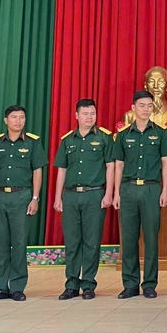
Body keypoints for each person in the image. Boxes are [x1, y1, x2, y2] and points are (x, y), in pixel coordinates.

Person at [0, 105, 47, 302]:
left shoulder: (33, 142)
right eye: (14, 117)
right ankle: (0, 286)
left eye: (22, 117)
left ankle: (17, 287)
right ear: (6, 120)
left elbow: (37, 171)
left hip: (21, 197)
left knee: (19, 242)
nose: (18, 121)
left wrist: (35, 198)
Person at [112, 90, 167, 299]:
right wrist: (116, 193)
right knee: (129, 239)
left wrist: (165, 189)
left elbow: (166, 163)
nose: (146, 109)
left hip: (151, 189)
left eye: (149, 105)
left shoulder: (161, 134)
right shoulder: (123, 135)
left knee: (151, 238)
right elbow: (119, 165)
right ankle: (130, 284)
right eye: (142, 105)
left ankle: (149, 284)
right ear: (133, 108)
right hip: (128, 189)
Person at [53, 99, 114, 300]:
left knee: (92, 241)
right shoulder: (67, 140)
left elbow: (111, 167)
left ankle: (88, 284)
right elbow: (62, 169)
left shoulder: (104, 138)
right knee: (72, 242)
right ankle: (71, 284)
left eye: (92, 113)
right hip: (70, 195)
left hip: (94, 194)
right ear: (77, 115)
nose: (89, 117)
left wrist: (109, 193)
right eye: (85, 114)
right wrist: (58, 196)